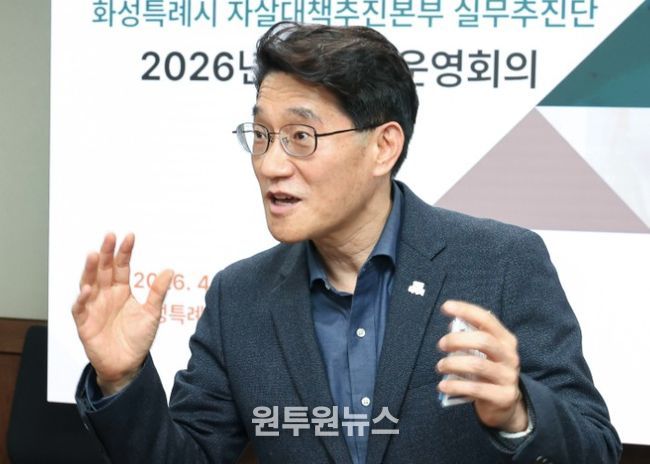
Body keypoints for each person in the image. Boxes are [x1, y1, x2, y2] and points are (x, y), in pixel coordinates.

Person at [72, 22, 621, 464]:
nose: (270, 164)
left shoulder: (499, 262)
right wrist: (121, 379)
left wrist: (519, 414)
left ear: (383, 147)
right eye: (261, 135)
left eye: (300, 137)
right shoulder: (239, 296)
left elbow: (596, 447)